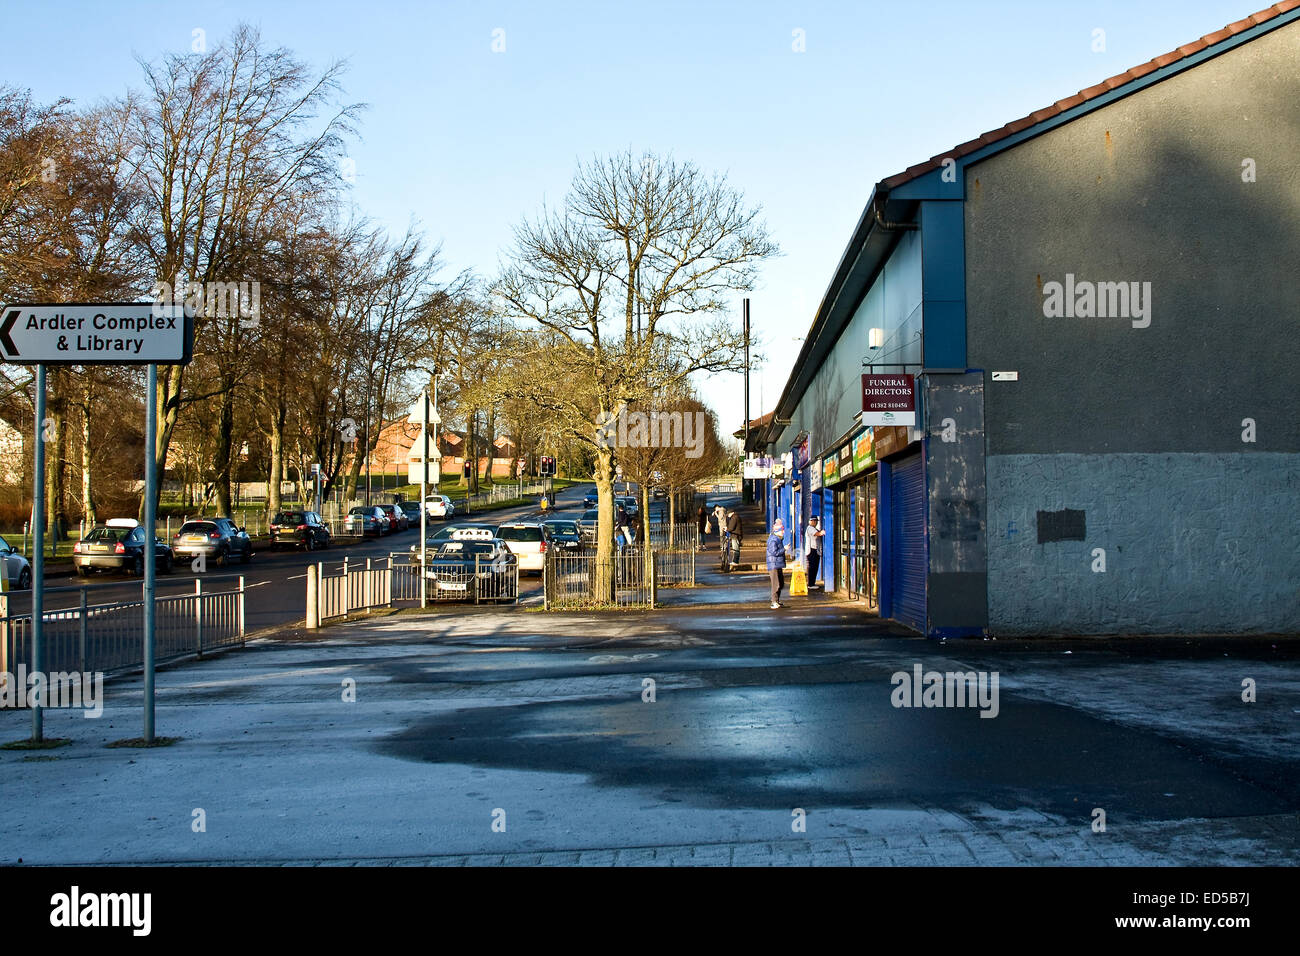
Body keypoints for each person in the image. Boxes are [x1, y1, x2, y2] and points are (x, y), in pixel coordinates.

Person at [766, 518, 788, 609]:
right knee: (776, 584)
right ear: (778, 531)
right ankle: (774, 601)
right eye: (782, 530)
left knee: (780, 583)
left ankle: (777, 600)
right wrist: (784, 549)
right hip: (774, 564)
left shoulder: (777, 539)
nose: (783, 532)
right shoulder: (773, 540)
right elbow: (774, 552)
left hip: (777, 564)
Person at [804, 515, 825, 590]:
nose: (816, 522)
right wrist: (822, 532)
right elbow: (818, 534)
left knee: (815, 567)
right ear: (812, 521)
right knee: (812, 567)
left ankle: (812, 583)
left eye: (816, 521)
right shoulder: (810, 528)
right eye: (815, 521)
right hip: (812, 550)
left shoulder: (813, 528)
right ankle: (811, 584)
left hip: (815, 550)